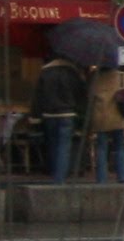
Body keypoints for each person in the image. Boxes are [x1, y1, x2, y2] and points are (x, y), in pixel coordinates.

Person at [33, 49, 85, 181]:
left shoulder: (45, 72)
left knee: (53, 145)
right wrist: (81, 116)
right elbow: (81, 96)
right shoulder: (73, 73)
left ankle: (54, 172)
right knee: (64, 147)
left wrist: (35, 116)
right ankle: (60, 179)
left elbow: (38, 96)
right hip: (68, 113)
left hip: (49, 114)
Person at [89, 62, 124, 179]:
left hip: (100, 116)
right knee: (119, 147)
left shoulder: (95, 78)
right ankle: (122, 175)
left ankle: (102, 177)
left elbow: (90, 96)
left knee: (101, 148)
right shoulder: (122, 77)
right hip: (117, 116)